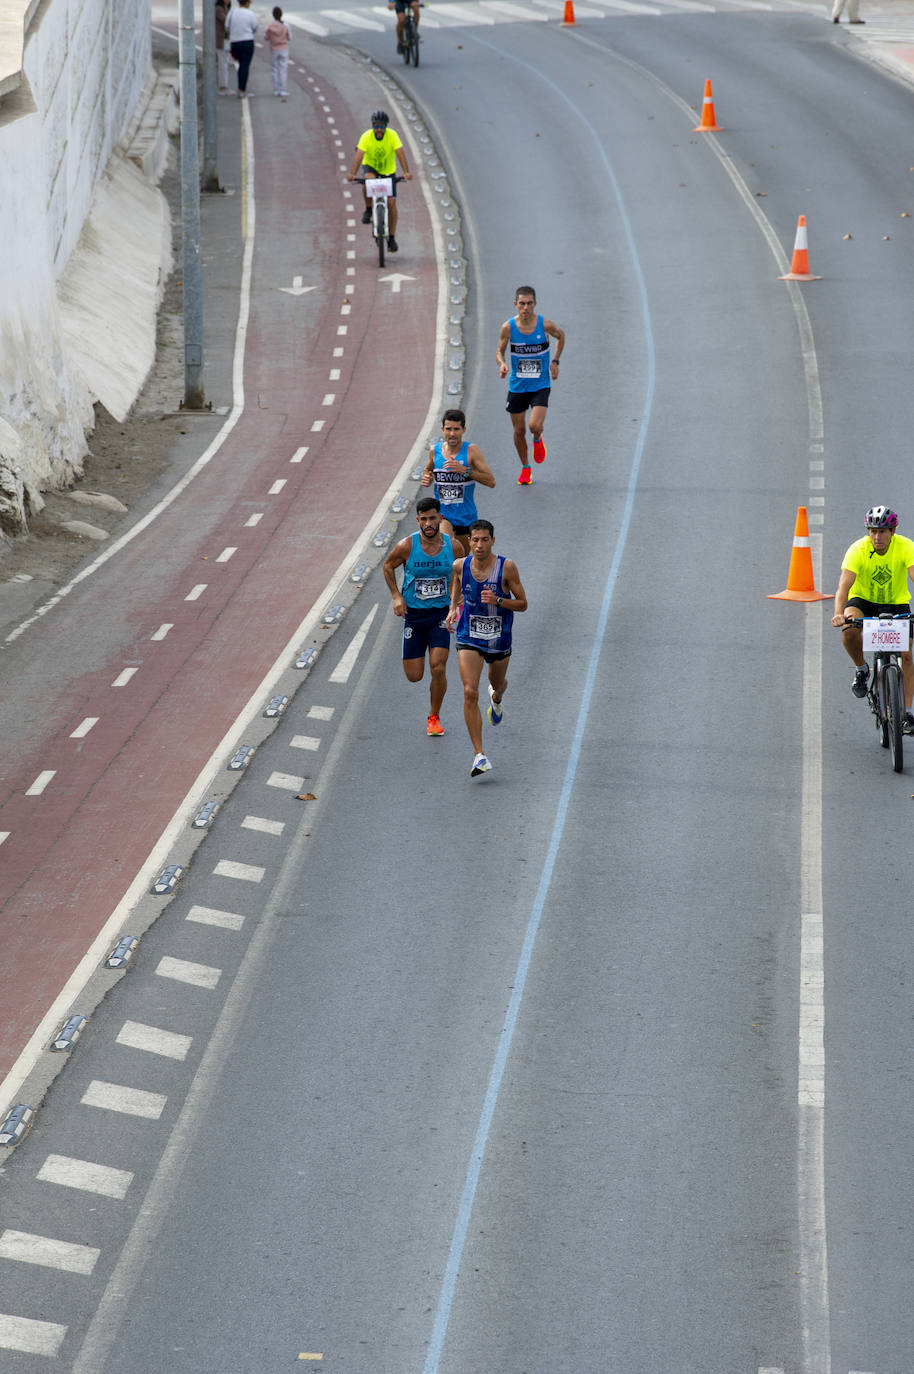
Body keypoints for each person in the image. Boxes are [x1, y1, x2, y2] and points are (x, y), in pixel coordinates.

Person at [446, 520, 528, 777]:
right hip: (469, 636)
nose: (479, 545)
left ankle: (498, 698)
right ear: (468, 541)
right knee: (470, 691)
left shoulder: (507, 568)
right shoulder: (460, 565)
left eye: (484, 540)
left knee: (497, 682)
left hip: (498, 639)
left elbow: (523, 604)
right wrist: (452, 609)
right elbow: (456, 583)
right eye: (475, 540)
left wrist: (499, 600)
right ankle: (479, 755)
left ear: (492, 541)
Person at [831, 505, 914, 732]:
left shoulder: (907, 547)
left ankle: (906, 713)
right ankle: (861, 669)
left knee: (906, 657)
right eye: (873, 531)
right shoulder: (857, 549)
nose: (877, 537)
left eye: (883, 531)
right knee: (848, 629)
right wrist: (840, 614)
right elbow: (844, 586)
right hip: (863, 601)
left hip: (896, 603)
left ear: (893, 531)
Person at [383, 497, 456, 737]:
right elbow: (387, 566)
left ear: (440, 518)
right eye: (423, 519)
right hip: (414, 616)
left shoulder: (453, 547)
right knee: (414, 676)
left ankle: (434, 717)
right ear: (417, 521)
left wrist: (458, 600)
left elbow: (462, 571)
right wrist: (396, 596)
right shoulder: (407, 546)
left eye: (432, 518)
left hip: (440, 614)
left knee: (438, 667)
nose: (428, 523)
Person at [495, 285, 565, 487]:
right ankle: (526, 468)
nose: (525, 308)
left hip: (540, 384)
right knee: (518, 431)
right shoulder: (508, 327)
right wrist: (502, 364)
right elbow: (499, 351)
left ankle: (537, 438)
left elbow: (561, 336)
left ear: (535, 304)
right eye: (522, 304)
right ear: (515, 304)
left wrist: (555, 361)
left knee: (534, 425)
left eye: (529, 304)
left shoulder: (545, 325)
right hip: (517, 386)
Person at [421, 409, 496, 557]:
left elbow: (491, 481)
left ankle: (455, 579)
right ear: (442, 429)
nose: (452, 434)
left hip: (465, 515)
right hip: (442, 515)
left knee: (459, 560)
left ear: (464, 430)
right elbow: (427, 470)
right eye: (448, 429)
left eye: (456, 429)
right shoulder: (434, 451)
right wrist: (427, 477)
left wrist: (465, 471)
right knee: (446, 548)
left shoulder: (471, 451)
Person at [347, 111, 411, 254]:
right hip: (371, 168)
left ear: (386, 127)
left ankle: (392, 238)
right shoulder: (366, 137)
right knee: (367, 182)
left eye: (382, 127)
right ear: (372, 126)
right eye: (376, 126)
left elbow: (400, 153)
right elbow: (359, 157)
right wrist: (352, 173)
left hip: (388, 172)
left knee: (391, 205)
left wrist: (406, 171)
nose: (379, 130)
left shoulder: (393, 135)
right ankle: (369, 208)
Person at [226, 0, 258, 97]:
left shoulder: (232, 12)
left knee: (240, 64)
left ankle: (240, 88)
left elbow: (226, 26)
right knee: (245, 65)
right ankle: (241, 89)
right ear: (247, 3)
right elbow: (255, 27)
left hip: (235, 42)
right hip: (247, 41)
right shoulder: (250, 14)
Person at [264, 6, 291, 100]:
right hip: (284, 48)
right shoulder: (286, 25)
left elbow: (266, 38)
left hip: (274, 49)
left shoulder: (270, 26)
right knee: (283, 70)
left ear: (273, 15)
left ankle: (276, 90)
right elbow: (289, 38)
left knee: (275, 69)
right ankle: (283, 90)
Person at [215, 0, 231, 92]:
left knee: (225, 62)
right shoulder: (218, 9)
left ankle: (225, 86)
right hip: (221, 40)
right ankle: (223, 87)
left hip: (226, 40)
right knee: (223, 64)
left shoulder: (225, 8)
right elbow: (227, 21)